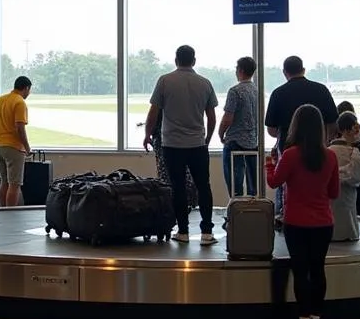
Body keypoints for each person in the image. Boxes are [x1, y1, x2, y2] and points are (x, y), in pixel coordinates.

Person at [265, 104, 339, 319]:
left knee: (300, 270)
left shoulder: (290, 155)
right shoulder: (330, 156)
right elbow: (334, 192)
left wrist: (270, 164)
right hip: (324, 222)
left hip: (296, 222)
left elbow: (274, 182)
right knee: (318, 270)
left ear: (296, 126)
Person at [144, 45, 218, 246]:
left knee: (177, 187)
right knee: (204, 187)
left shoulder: (165, 81)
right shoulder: (205, 83)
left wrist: (147, 134)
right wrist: (207, 139)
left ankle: (183, 231)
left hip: (172, 145)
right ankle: (207, 232)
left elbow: (154, 112)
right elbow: (211, 117)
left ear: (176, 60)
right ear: (194, 61)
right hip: (197, 144)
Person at [265, 57, 338, 222]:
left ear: (285, 72)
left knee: (286, 184)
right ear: (303, 69)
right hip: (319, 147)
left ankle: (283, 216)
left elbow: (271, 129)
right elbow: (333, 122)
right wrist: (325, 141)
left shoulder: (278, 93)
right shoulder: (321, 90)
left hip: (286, 146)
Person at [219, 56, 258, 197]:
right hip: (253, 142)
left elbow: (228, 118)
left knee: (235, 183)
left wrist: (221, 133)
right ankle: (254, 212)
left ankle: (236, 213)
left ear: (240, 70)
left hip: (235, 141)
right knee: (254, 183)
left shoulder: (235, 91)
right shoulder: (258, 91)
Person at [0, 76, 32, 208]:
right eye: (29, 90)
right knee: (14, 184)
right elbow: (20, 127)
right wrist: (27, 147)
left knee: (4, 182)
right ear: (26, 88)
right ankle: (10, 214)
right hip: (13, 147)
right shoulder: (19, 102)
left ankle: (2, 211)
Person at [329, 111, 360, 242]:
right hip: (348, 194)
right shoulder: (353, 152)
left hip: (331, 193)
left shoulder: (328, 151)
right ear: (349, 130)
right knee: (348, 215)